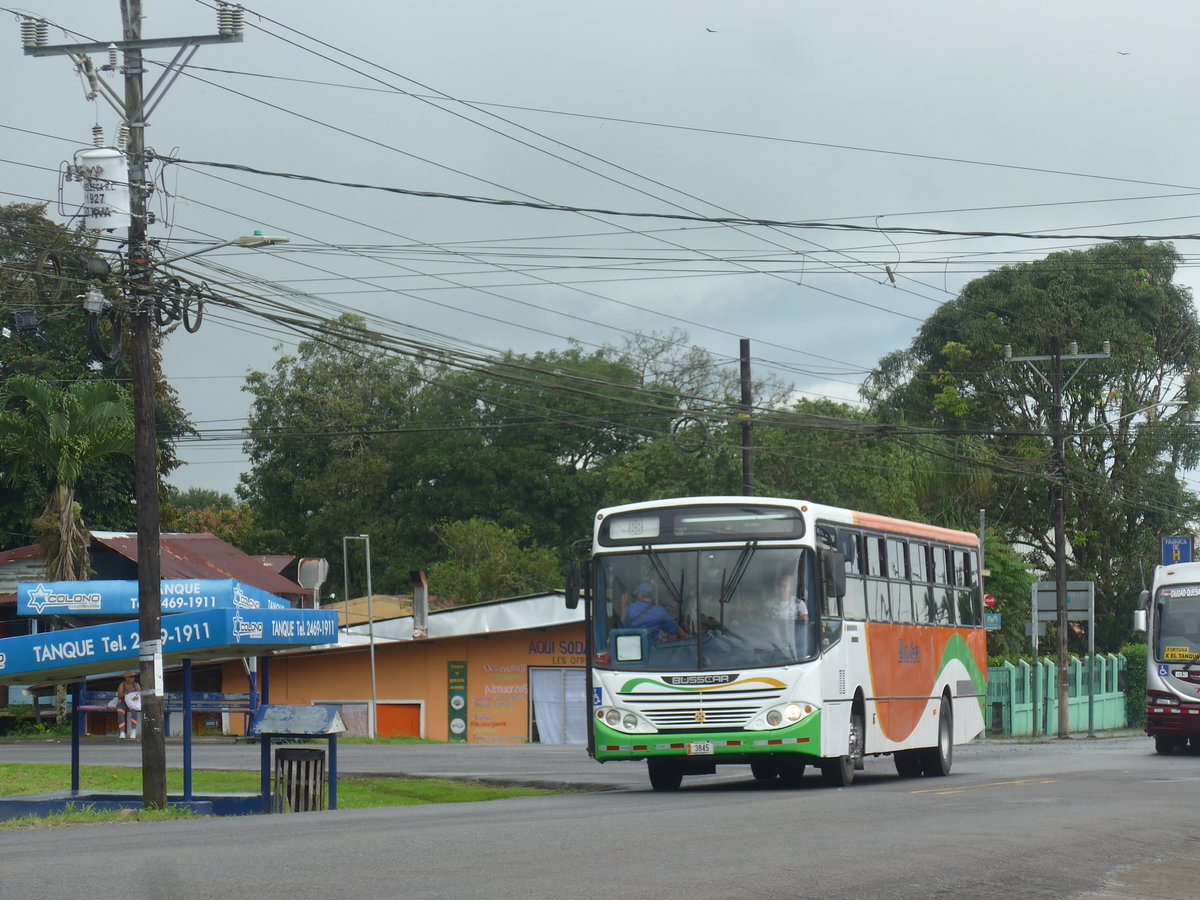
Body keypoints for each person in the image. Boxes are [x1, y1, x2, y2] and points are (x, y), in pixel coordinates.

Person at [621, 582, 688, 643]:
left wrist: (623, 605)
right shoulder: (660, 611)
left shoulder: (630, 608)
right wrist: (686, 636)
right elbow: (675, 629)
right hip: (653, 651)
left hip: (632, 650)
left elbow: (623, 626)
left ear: (639, 595)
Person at [116, 670, 141, 740]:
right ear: (126, 678)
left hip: (133, 701)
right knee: (120, 712)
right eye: (131, 677)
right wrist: (127, 692)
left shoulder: (136, 685)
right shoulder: (122, 684)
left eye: (133, 677)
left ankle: (133, 730)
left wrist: (136, 697)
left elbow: (139, 693)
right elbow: (119, 696)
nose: (133, 678)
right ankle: (122, 732)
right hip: (123, 702)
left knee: (134, 710)